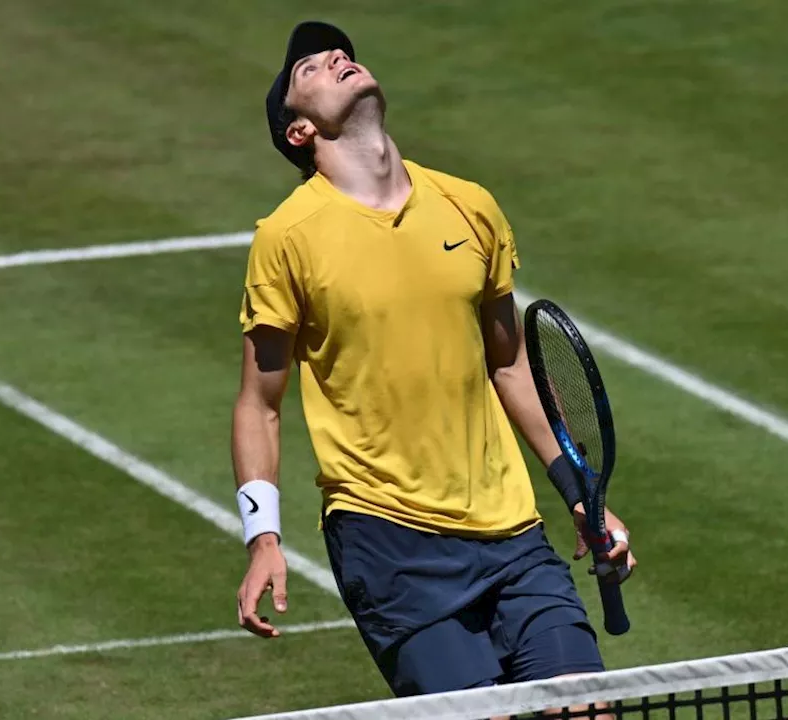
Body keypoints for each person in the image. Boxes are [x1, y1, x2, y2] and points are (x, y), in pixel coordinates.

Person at [231, 20, 636, 699]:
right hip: (388, 540)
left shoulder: (468, 205)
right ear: (299, 132)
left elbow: (510, 365)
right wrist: (262, 539)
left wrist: (578, 495)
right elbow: (258, 403)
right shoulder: (288, 239)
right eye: (311, 70)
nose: (336, 57)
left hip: (510, 530)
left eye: (340, 54)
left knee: (585, 709)